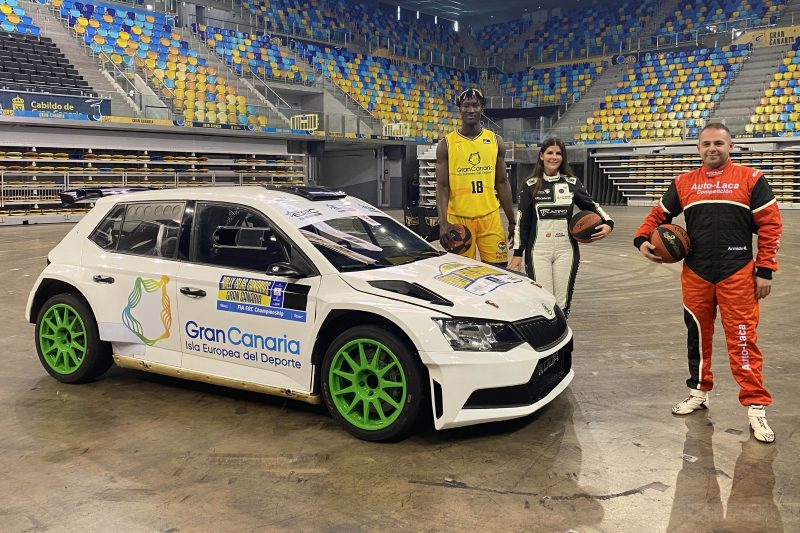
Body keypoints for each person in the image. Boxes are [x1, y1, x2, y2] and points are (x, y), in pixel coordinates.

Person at [633, 122, 782, 443]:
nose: (712, 148)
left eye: (718, 143)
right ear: (698, 148)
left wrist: (765, 269)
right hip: (697, 273)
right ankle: (699, 392)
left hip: (738, 272)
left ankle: (756, 405)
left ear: (730, 146)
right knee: (697, 337)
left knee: (743, 340)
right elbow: (658, 216)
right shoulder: (684, 182)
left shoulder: (752, 179)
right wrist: (642, 239)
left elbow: (771, 226)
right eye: (706, 144)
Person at [508, 137, 613, 317]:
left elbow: (591, 206)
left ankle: (562, 331)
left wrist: (608, 223)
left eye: (558, 153)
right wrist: (518, 254)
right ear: (541, 156)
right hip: (538, 250)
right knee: (544, 300)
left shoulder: (572, 183)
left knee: (562, 301)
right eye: (550, 152)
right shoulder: (530, 185)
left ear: (563, 157)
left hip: (566, 249)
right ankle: (546, 333)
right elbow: (522, 221)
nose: (554, 157)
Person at [435, 88, 515, 266]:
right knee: (461, 273)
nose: (471, 110)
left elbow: (502, 183)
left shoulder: (495, 141)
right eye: (466, 105)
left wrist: (512, 220)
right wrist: (443, 222)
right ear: (460, 109)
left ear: (482, 108)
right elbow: (442, 186)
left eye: (475, 105)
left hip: (490, 217)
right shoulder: (446, 144)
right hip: (458, 219)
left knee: (498, 270)